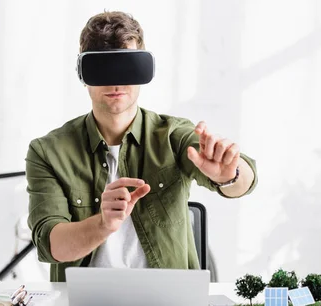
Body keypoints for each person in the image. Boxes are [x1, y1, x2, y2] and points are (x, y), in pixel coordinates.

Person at [26, 11, 258, 282]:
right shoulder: (48, 152)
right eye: (102, 69)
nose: (115, 83)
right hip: (85, 297)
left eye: (126, 67)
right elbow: (51, 244)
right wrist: (102, 224)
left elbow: (245, 179)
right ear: (83, 73)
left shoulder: (173, 135)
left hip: (168, 296)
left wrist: (229, 175)